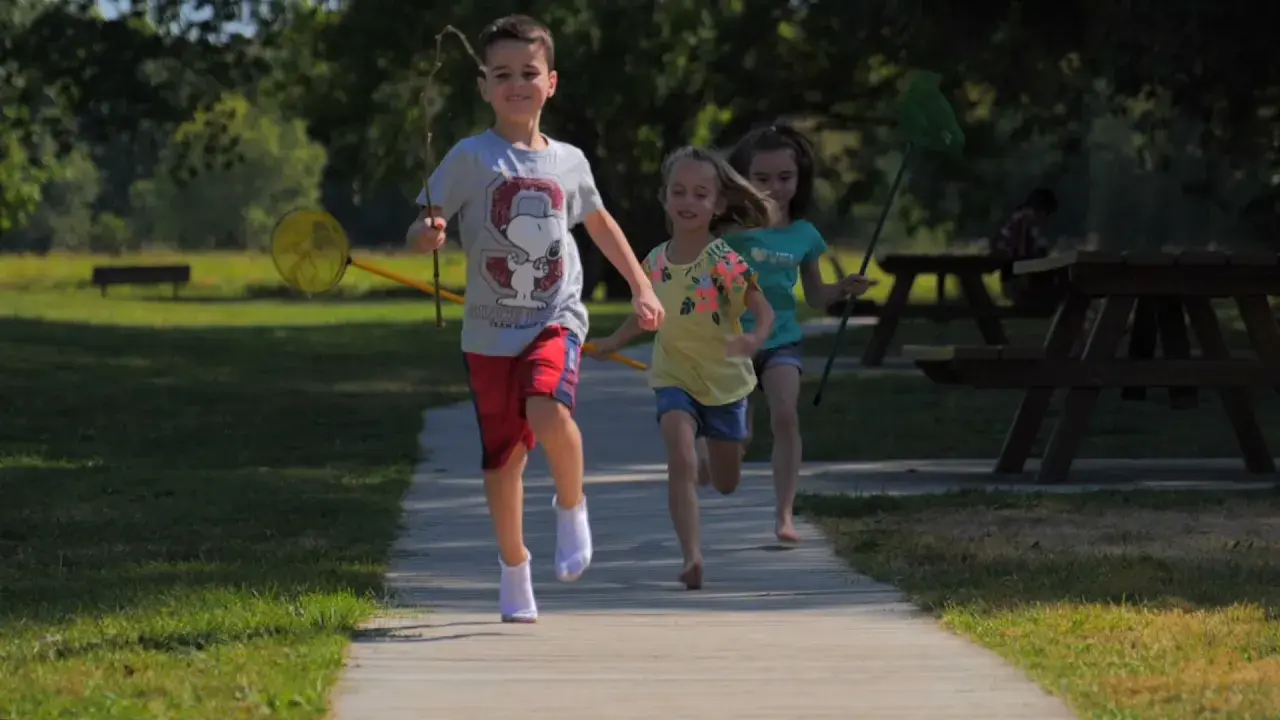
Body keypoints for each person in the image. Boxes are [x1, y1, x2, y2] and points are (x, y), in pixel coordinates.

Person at [406, 14, 664, 624]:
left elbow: (599, 222)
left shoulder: (569, 162)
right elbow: (421, 226)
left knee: (548, 409)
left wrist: (640, 286)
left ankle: (571, 506)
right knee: (503, 460)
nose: (516, 84)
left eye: (528, 72)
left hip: (555, 316)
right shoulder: (470, 156)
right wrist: (428, 234)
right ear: (483, 87)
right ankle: (514, 565)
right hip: (488, 332)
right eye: (502, 75)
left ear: (551, 82)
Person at [589, 146, 777, 591]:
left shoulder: (723, 261)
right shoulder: (653, 263)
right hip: (674, 376)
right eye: (679, 191)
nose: (688, 202)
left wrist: (755, 337)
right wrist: (613, 341)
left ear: (718, 204)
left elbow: (762, 309)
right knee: (680, 455)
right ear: (665, 197)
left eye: (700, 193)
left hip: (725, 383)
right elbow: (644, 315)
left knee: (726, 483)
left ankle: (719, 447)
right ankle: (692, 556)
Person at [721, 123, 872, 544]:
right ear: (743, 180)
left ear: (800, 179)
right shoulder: (730, 233)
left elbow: (816, 297)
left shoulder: (805, 235)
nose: (775, 187)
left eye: (785, 177)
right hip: (734, 343)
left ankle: (785, 514)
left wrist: (844, 289)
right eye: (762, 178)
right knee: (739, 435)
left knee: (786, 416)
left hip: (782, 339)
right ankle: (720, 453)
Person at [990, 187, 1058, 305]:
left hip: (1013, 275)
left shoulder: (1023, 223)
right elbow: (1021, 255)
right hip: (1014, 278)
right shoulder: (1023, 222)